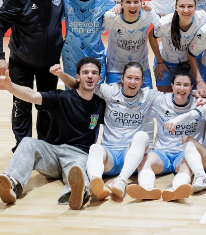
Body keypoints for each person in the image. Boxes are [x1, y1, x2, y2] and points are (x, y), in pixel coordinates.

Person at [0, 57, 106, 209]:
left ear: (99, 78)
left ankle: (76, 193)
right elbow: (32, 96)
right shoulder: (61, 98)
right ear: (78, 77)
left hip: (78, 155)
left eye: (94, 73)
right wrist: (10, 86)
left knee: (79, 168)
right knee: (28, 142)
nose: (90, 76)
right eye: (85, 72)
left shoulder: (100, 104)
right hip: (52, 153)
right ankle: (12, 184)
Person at [0, 0, 70, 149]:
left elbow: (81, 2)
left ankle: (44, 146)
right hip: (21, 61)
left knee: (46, 105)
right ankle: (23, 147)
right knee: (22, 105)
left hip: (50, 64)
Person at [51, 62, 160, 201]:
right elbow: (80, 86)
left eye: (137, 78)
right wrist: (61, 74)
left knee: (142, 136)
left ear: (142, 81)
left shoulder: (148, 95)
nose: (133, 82)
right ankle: (96, 183)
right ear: (122, 79)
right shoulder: (110, 91)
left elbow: (174, 99)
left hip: (132, 158)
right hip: (110, 158)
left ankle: (121, 181)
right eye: (129, 77)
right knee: (95, 148)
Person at [125, 63, 205, 202]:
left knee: (189, 165)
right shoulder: (160, 101)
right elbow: (137, 96)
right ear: (172, 85)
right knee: (144, 160)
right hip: (162, 153)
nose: (181, 89)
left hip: (184, 153)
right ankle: (147, 188)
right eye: (178, 84)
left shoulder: (199, 104)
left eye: (186, 85)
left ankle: (176, 190)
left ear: (192, 87)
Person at [149, 0, 206, 95]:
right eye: (182, 6)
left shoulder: (203, 17)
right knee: (166, 98)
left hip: (190, 63)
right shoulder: (165, 23)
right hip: (166, 63)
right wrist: (160, 62)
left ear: (195, 7)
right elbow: (151, 36)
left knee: (193, 96)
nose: (186, 10)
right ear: (175, 7)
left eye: (190, 6)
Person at [62, 0, 116, 83]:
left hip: (95, 56)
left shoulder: (104, 1)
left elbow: (120, 13)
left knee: (95, 91)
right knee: (73, 92)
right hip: (71, 56)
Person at [103, 0, 158, 88]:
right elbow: (98, 31)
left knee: (148, 97)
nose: (132, 5)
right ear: (121, 3)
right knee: (113, 97)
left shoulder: (148, 14)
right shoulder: (111, 17)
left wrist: (151, 7)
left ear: (141, 3)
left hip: (141, 68)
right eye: (128, 2)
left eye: (136, 2)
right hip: (115, 68)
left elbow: (163, 27)